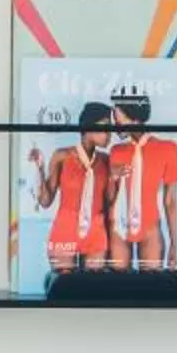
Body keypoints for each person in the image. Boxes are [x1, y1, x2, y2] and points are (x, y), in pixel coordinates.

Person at [28, 102, 115, 274]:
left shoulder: (106, 161)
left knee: (95, 293)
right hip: (65, 230)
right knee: (64, 292)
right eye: (105, 128)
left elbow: (108, 203)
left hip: (96, 233)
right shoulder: (62, 156)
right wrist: (39, 167)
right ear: (89, 126)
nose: (109, 135)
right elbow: (45, 201)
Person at [108, 89, 177, 272]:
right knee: (117, 288)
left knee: (151, 289)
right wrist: (112, 178)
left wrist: (175, 244)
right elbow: (109, 198)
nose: (114, 123)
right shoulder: (116, 151)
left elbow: (170, 201)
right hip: (118, 227)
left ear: (133, 117)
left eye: (117, 117)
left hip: (150, 228)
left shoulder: (168, 149)